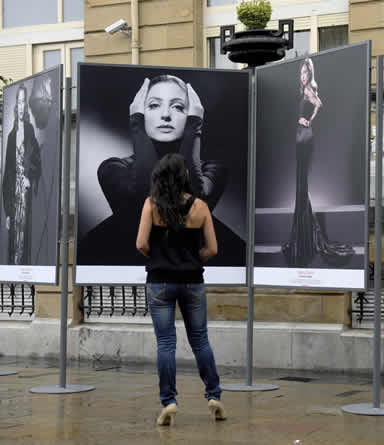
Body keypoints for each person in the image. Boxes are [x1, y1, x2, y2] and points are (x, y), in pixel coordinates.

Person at [78, 75, 244, 267]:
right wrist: (137, 124)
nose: (166, 115)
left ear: (192, 117)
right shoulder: (113, 168)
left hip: (187, 277)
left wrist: (194, 129)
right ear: (140, 113)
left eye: (178, 107)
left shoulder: (213, 170)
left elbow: (194, 199)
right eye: (154, 105)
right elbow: (141, 200)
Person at [136, 153, 225, 426]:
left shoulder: (152, 205)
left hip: (160, 282)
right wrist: (193, 259)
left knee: (166, 344)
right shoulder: (200, 207)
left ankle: (169, 402)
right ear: (184, 176)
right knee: (200, 340)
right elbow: (212, 249)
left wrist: (160, 257)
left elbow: (141, 243)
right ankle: (214, 396)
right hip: (192, 281)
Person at [282, 58, 354, 267]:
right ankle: (304, 228)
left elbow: (319, 104)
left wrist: (308, 120)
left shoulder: (308, 88)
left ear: (310, 74)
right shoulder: (304, 87)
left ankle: (305, 234)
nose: (303, 76)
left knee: (301, 181)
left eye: (305, 72)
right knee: (300, 181)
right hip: (301, 134)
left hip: (304, 135)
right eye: (301, 73)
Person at [2, 84, 41, 265]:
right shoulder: (10, 137)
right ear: (15, 106)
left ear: (25, 106)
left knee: (24, 236)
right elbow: (7, 175)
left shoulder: (30, 130)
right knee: (13, 238)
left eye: (23, 102)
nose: (20, 106)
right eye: (18, 102)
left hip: (26, 195)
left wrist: (29, 177)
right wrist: (8, 212)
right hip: (13, 197)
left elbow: (37, 162)